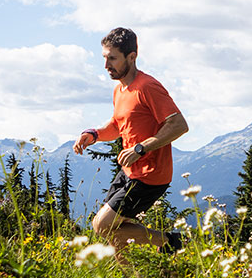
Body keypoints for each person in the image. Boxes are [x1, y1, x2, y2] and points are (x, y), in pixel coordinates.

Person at [73, 27, 188, 254]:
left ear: (132, 57)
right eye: (105, 58)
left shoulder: (148, 87)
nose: (106, 65)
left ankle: (171, 241)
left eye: (112, 58)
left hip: (150, 176)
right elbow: (118, 125)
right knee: (116, 232)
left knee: (102, 225)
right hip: (129, 172)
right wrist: (94, 134)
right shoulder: (119, 90)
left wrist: (141, 148)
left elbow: (179, 125)